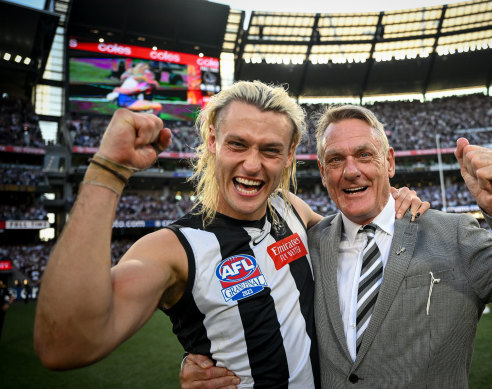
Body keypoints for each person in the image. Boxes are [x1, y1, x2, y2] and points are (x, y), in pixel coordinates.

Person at [34, 82, 427, 388]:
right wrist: (107, 172)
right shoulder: (174, 249)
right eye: (237, 144)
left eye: (271, 150)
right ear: (211, 141)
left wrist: (394, 200)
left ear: (290, 155)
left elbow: (357, 237)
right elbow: (63, 344)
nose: (252, 165)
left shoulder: (291, 209)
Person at [181, 104, 492, 388]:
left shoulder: (454, 234)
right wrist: (204, 364)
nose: (350, 170)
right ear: (322, 172)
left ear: (389, 162)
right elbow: (265, 320)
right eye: (335, 160)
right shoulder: (310, 244)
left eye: (364, 155)